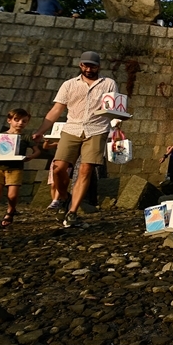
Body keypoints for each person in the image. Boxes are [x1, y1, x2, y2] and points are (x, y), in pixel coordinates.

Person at [31, 51, 118, 228]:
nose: (88, 69)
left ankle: (72, 211)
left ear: (98, 66)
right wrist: (41, 130)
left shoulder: (108, 83)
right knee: (58, 168)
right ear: (80, 65)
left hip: (96, 129)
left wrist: (118, 122)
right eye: (84, 65)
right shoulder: (69, 85)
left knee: (86, 170)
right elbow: (57, 109)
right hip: (72, 128)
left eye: (92, 66)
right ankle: (63, 197)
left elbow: (113, 108)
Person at [0, 108, 41, 233]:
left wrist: (30, 157)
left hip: (15, 168)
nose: (20, 123)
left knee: (12, 195)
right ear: (9, 120)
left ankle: (11, 210)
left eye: (24, 121)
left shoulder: (26, 137)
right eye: (16, 120)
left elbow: (37, 151)